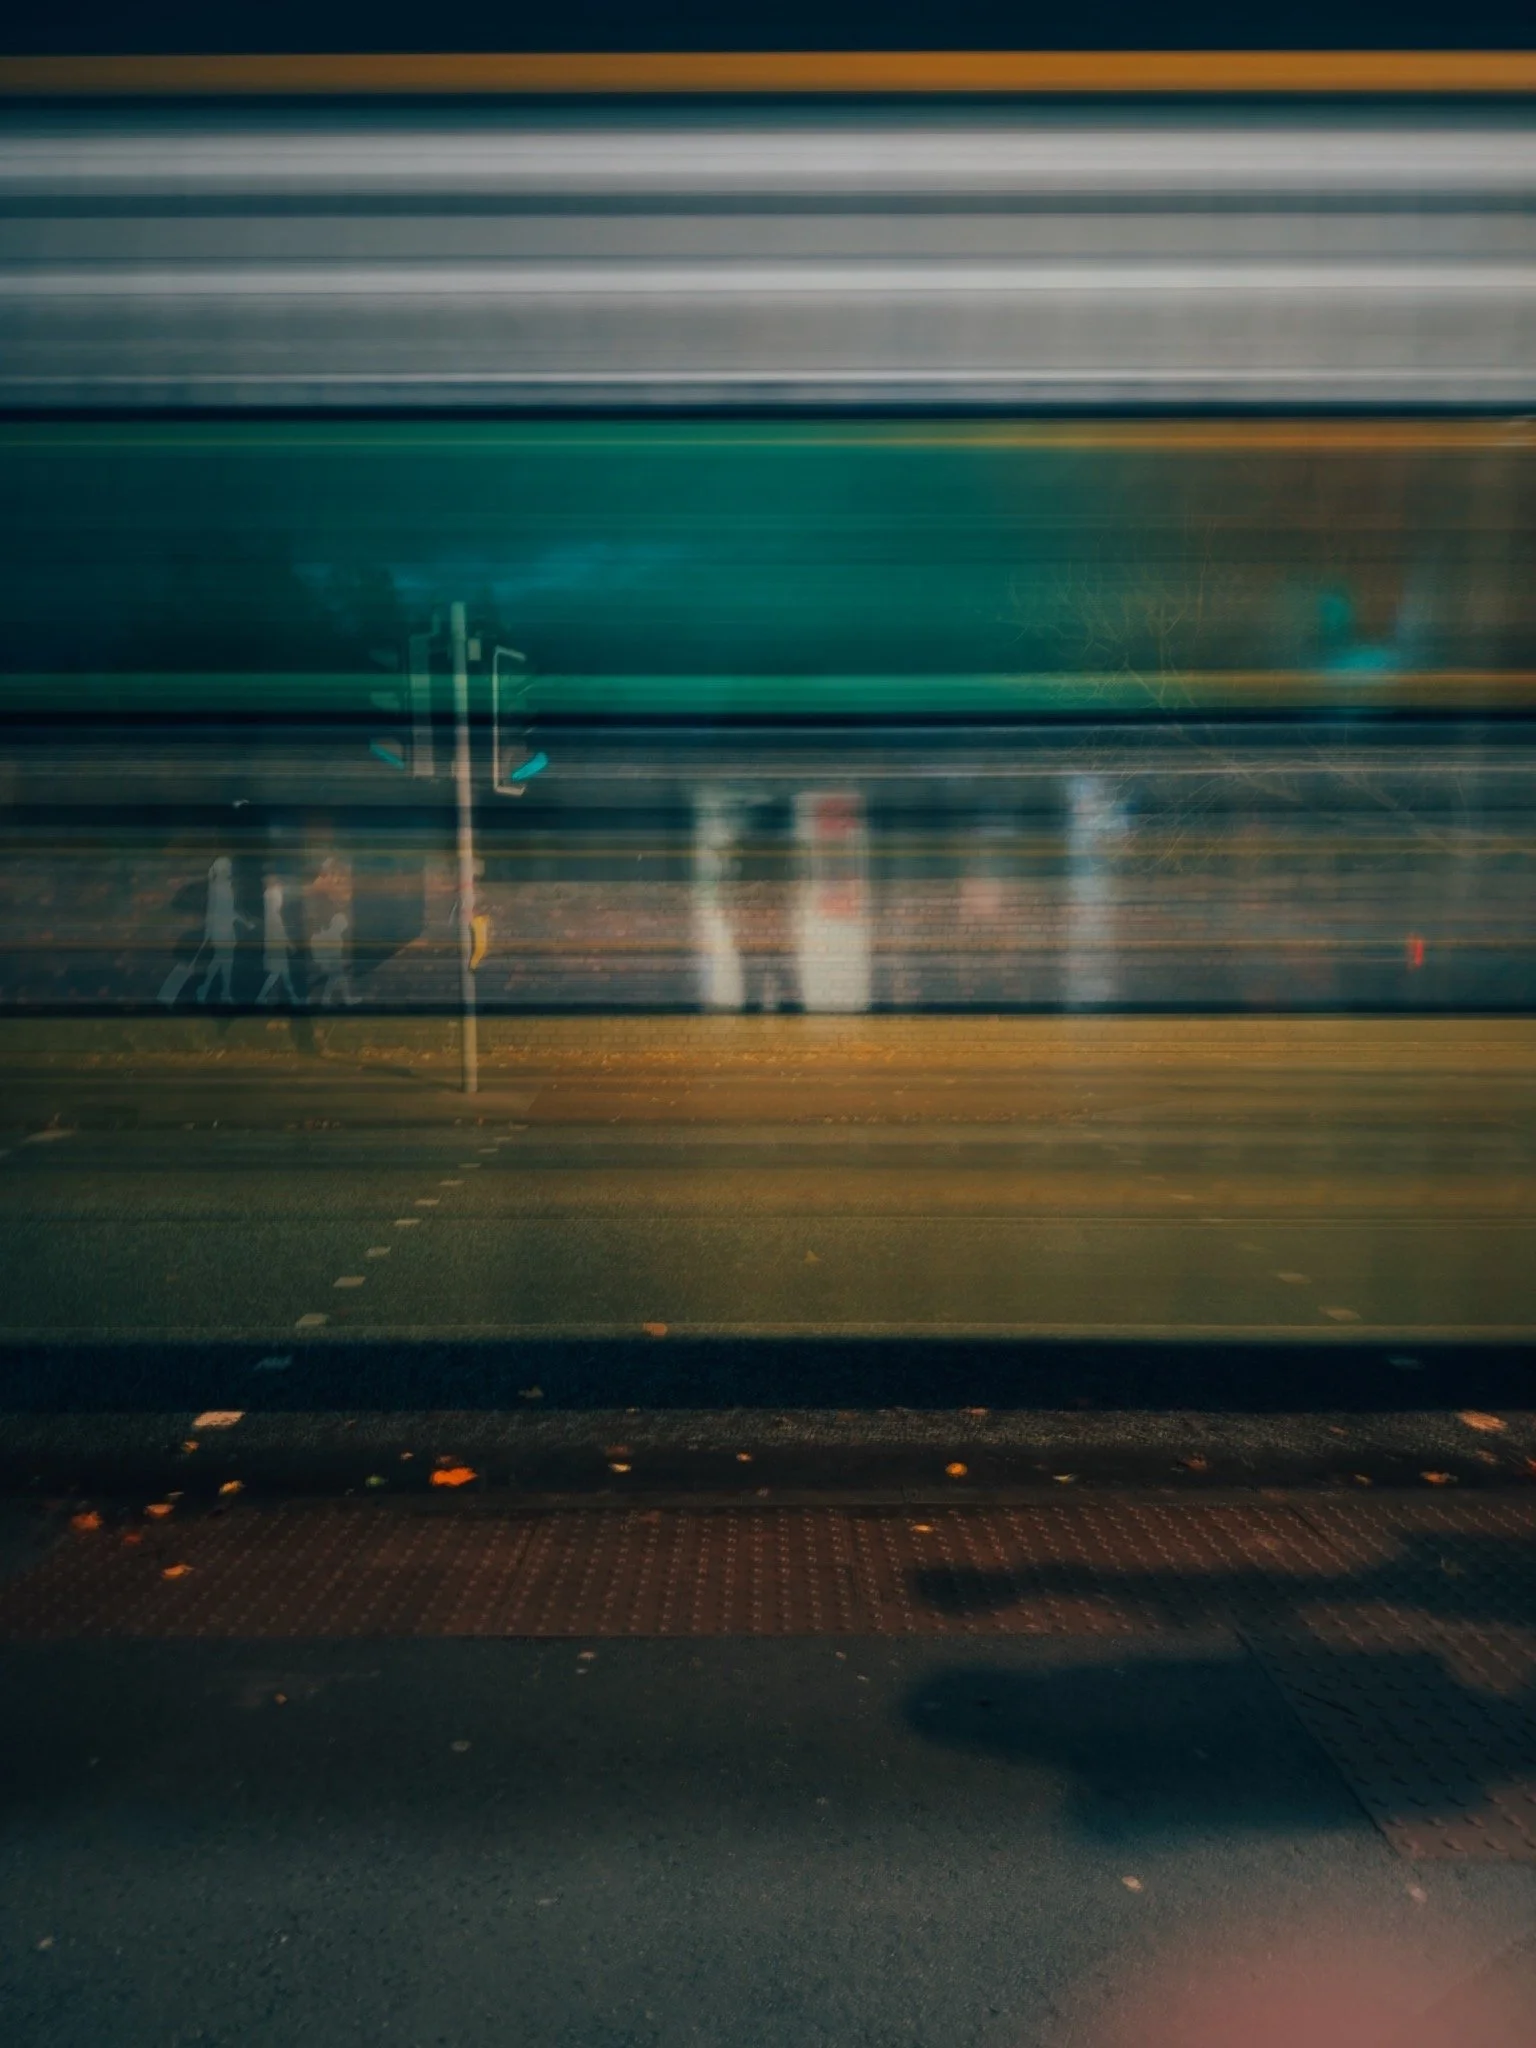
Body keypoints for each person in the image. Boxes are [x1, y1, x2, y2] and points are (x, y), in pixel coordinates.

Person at [196, 856, 251, 1005]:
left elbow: (227, 911)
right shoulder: (219, 888)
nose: (230, 870)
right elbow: (217, 912)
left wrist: (244, 922)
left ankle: (213, 990)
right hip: (221, 930)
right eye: (228, 868)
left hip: (225, 929)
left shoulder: (222, 886)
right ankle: (219, 991)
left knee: (222, 961)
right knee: (225, 960)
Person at [257, 878, 300, 1007]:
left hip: (273, 945)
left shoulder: (269, 914)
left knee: (283, 971)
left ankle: (293, 997)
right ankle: (261, 997)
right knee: (277, 972)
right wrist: (289, 944)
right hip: (277, 946)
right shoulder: (275, 916)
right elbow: (280, 932)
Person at [310, 909, 360, 1008]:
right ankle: (345, 999)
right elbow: (328, 954)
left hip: (331, 962)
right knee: (339, 978)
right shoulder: (329, 936)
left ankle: (327, 999)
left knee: (336, 979)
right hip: (329, 963)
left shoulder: (330, 934)